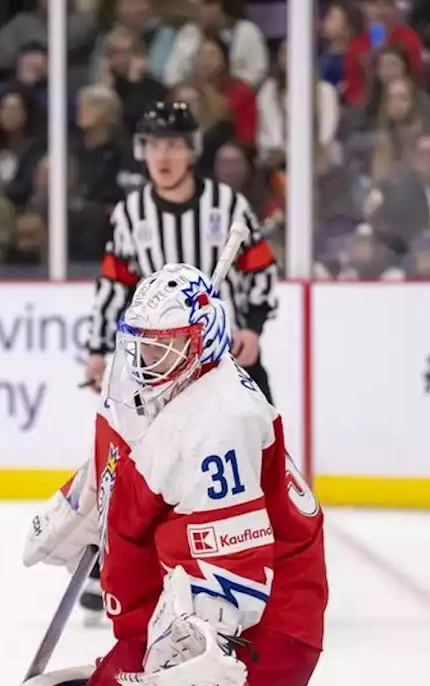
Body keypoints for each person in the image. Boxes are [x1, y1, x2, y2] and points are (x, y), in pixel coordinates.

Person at [21, 263, 430, 686]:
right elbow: (120, 461)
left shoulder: (220, 419)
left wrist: (195, 657)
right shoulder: (147, 380)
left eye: (166, 344)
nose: (149, 356)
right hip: (162, 613)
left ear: (201, 340)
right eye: (143, 342)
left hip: (264, 630)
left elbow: (234, 568)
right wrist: (78, 509)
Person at [79, 100, 279, 621]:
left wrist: (254, 326)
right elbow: (113, 285)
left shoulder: (228, 207)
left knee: (250, 464)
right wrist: (100, 349)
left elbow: (260, 273)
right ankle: (121, 569)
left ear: (191, 150)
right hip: (159, 367)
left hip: (224, 364)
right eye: (153, 145)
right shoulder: (130, 215)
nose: (162, 155)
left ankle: (262, 563)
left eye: (172, 144)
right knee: (138, 471)